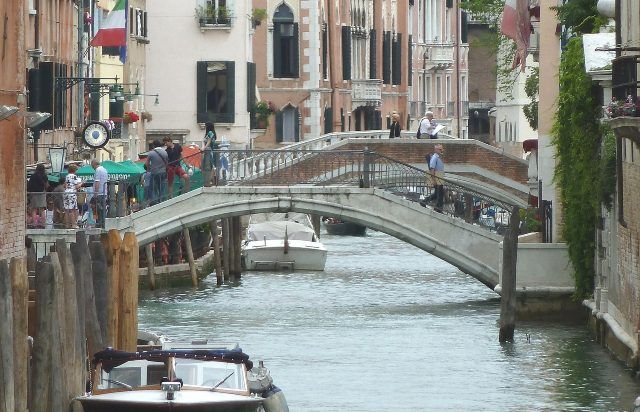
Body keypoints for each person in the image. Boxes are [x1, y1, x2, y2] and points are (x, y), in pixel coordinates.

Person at [421, 144, 445, 213]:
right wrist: (434, 180)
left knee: (437, 194)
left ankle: (424, 202)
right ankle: (439, 209)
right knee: (440, 194)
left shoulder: (438, 157)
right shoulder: (434, 158)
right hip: (437, 178)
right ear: (436, 150)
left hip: (439, 177)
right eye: (440, 149)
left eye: (442, 149)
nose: (441, 150)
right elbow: (432, 169)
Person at [145, 139, 169, 205]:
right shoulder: (165, 152)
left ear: (153, 145)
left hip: (154, 172)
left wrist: (150, 168)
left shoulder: (151, 153)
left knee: (152, 187)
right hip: (163, 172)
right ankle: (161, 201)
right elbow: (167, 163)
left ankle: (153, 201)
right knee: (162, 187)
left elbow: (146, 163)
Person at [63, 164, 83, 228]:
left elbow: (65, 185)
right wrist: (82, 183)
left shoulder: (67, 176)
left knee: (66, 209)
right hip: (72, 193)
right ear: (74, 170)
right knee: (72, 209)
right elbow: (76, 186)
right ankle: (74, 224)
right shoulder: (74, 176)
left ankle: (67, 224)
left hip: (66, 193)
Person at [91, 159, 108, 226]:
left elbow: (97, 182)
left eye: (92, 165)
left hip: (99, 193)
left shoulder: (98, 170)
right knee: (102, 209)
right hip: (104, 192)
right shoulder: (104, 170)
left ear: (94, 164)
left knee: (95, 207)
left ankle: (98, 222)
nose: (92, 167)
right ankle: (102, 223)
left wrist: (95, 193)